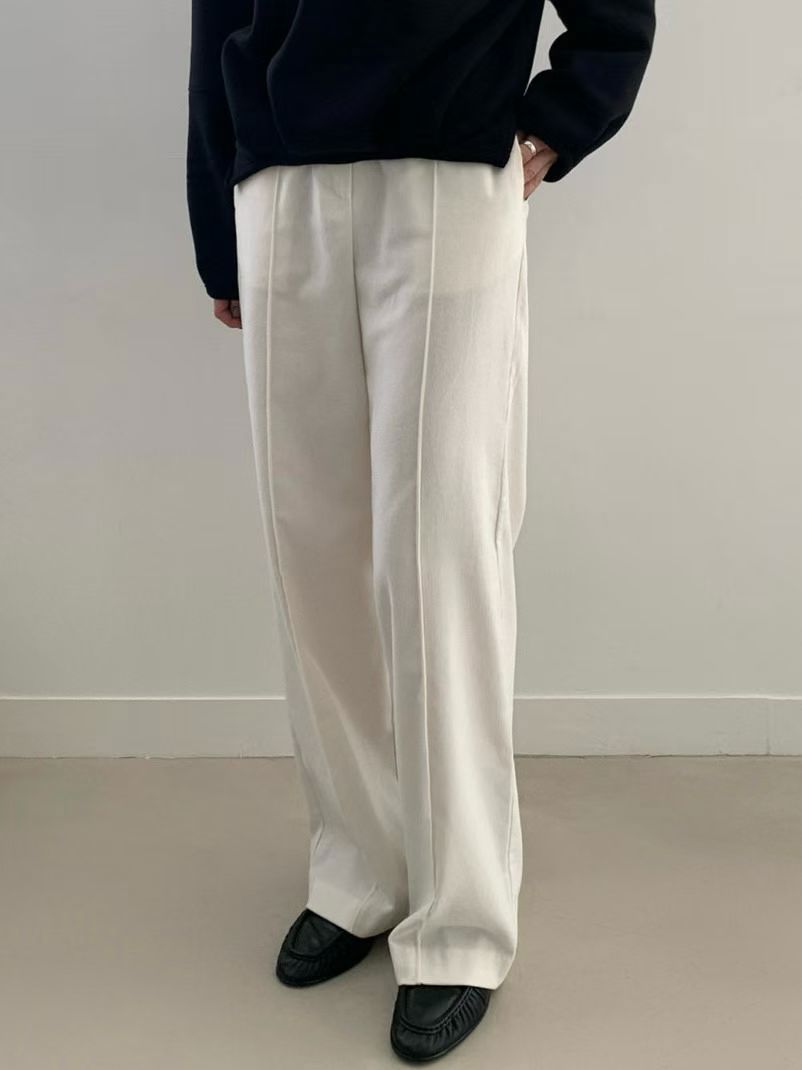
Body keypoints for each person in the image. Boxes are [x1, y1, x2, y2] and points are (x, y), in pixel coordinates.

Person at [186, 1, 655, 1061]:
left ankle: (460, 922)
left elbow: (616, 12)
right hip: (281, 182)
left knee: (440, 547)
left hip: (448, 169)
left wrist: (558, 122)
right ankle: (360, 868)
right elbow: (217, 17)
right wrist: (219, 224)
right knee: (311, 544)